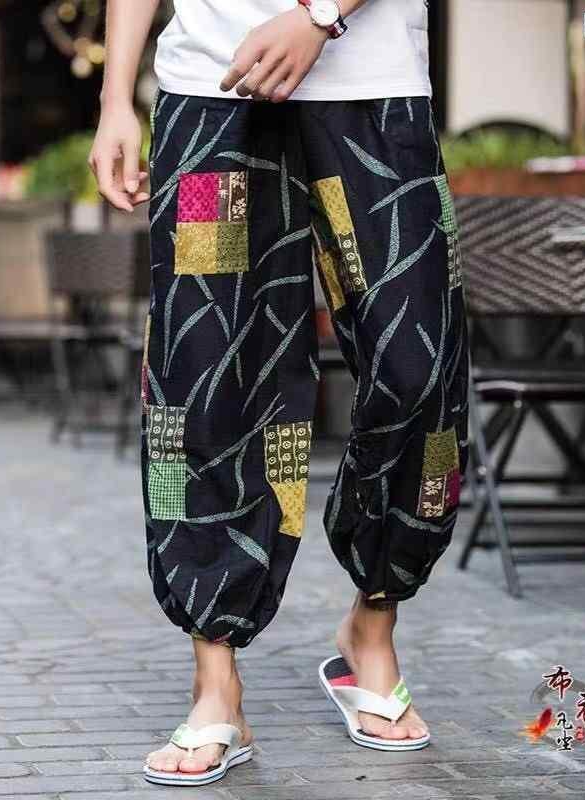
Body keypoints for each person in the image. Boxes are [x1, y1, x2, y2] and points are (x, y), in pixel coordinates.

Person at [89, 0, 470, 787]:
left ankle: (372, 621)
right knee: (203, 380)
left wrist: (318, 16)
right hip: (212, 92)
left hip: (375, 90)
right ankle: (216, 681)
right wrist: (114, 96)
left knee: (418, 367)